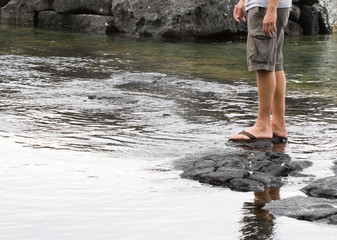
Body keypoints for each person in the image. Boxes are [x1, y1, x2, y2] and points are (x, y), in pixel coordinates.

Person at [230, 0, 291, 143]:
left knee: (263, 64)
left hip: (264, 7)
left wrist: (271, 10)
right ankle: (278, 124)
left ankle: (263, 125)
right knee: (275, 64)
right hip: (267, 6)